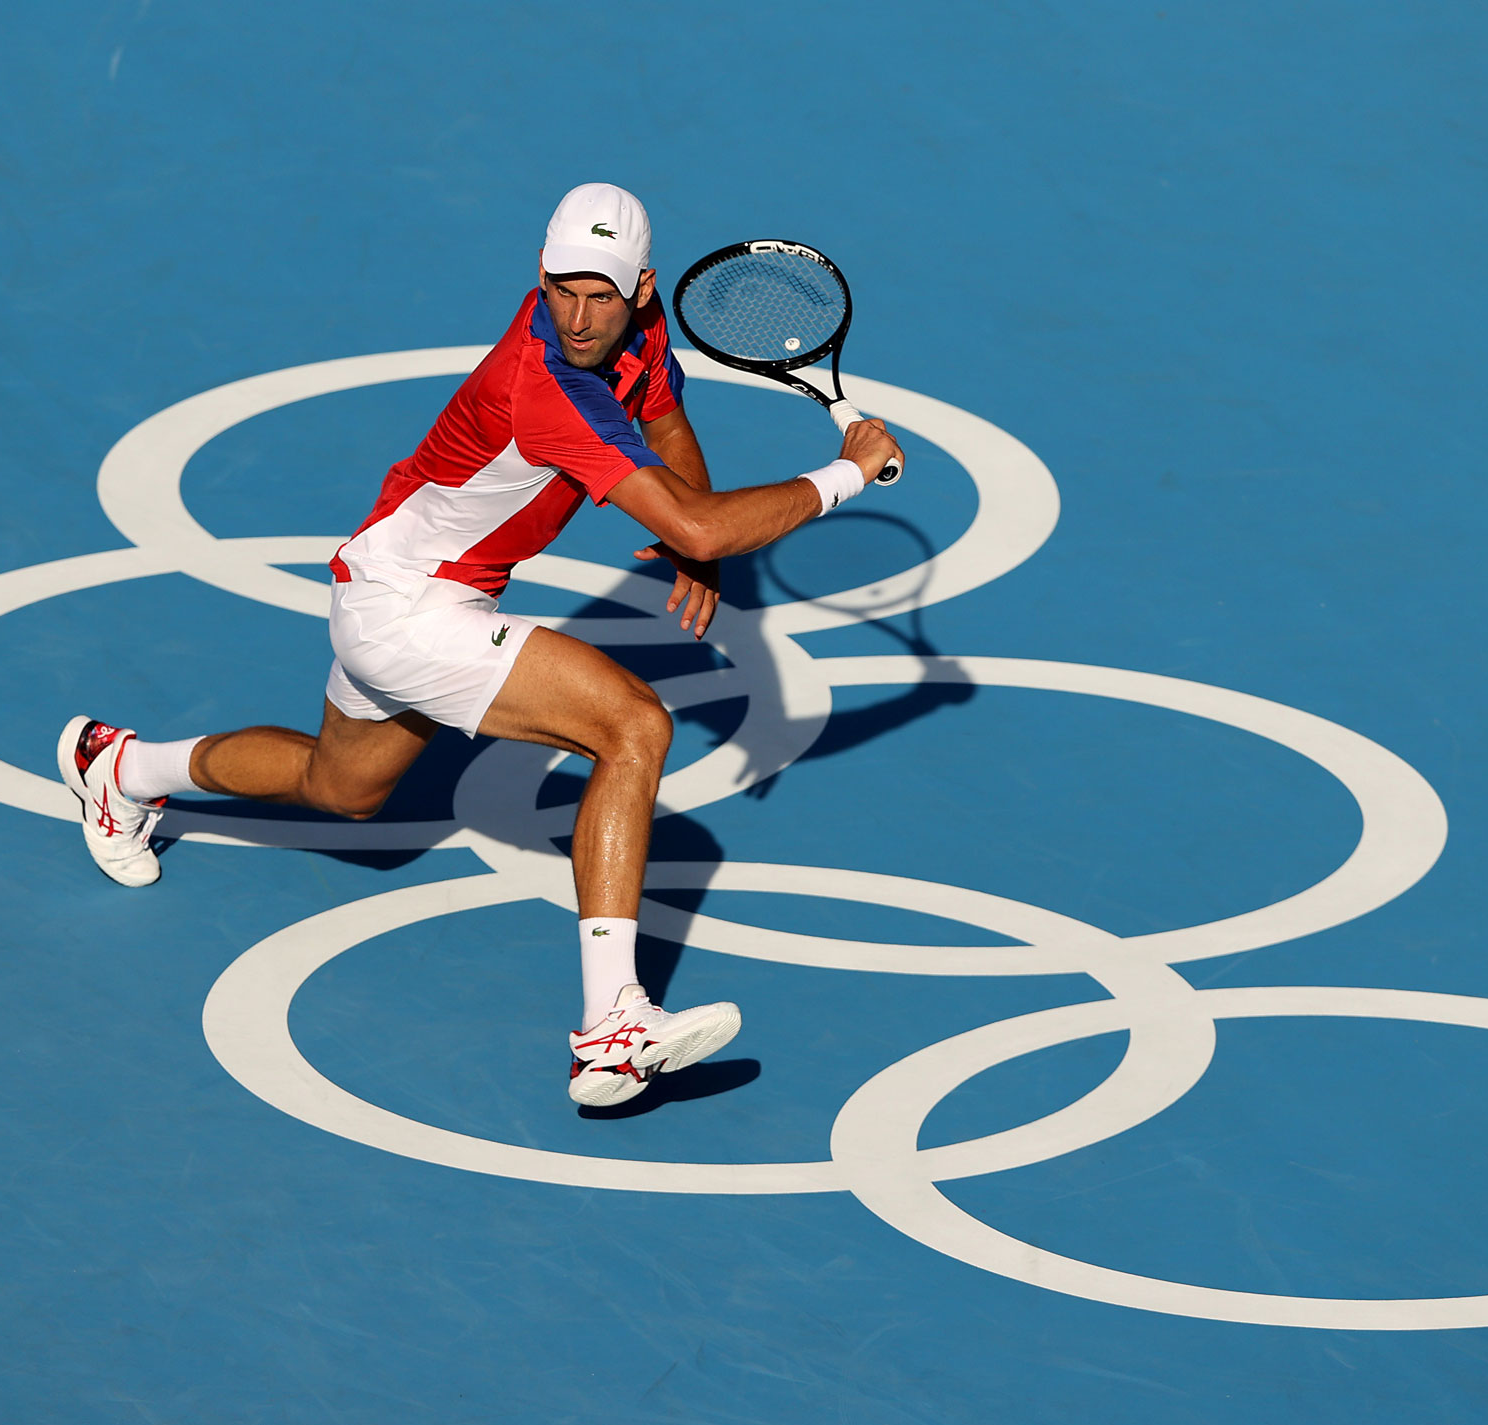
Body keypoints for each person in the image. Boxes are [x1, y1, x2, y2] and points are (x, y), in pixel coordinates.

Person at [58, 182, 903, 1108]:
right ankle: (613, 1028)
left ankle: (121, 767)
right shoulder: (550, 383)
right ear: (540, 275)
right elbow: (702, 525)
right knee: (633, 727)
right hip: (411, 607)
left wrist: (688, 540)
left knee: (344, 792)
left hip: (389, 583)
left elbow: (665, 424)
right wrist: (844, 473)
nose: (579, 317)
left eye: (601, 297)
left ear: (645, 292)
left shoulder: (643, 335)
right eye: (562, 291)